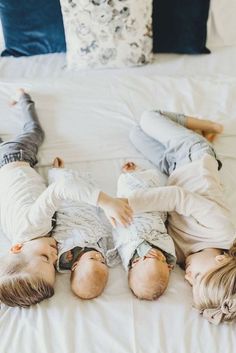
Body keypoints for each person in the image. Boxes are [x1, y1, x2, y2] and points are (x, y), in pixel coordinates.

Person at [0, 89, 133, 308]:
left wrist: (107, 202)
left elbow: (61, 189)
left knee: (34, 131)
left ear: (16, 249)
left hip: (16, 157)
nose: (55, 254)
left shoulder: (33, 225)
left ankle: (24, 99)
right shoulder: (19, 237)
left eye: (45, 257)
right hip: (5, 170)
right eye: (53, 263)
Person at [129, 109, 236, 324]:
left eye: (190, 284)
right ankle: (211, 127)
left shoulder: (179, 257)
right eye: (196, 277)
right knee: (148, 117)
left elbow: (158, 221)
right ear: (221, 260)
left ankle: (200, 133)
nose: (187, 277)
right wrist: (129, 203)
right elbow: (178, 197)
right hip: (193, 157)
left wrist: (136, 177)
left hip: (173, 170)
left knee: (135, 134)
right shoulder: (222, 230)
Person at [49, 157, 120, 300]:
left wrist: (66, 252)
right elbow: (114, 248)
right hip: (89, 213)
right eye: (102, 262)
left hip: (70, 213)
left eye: (94, 259)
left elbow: (58, 240)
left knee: (65, 189)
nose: (100, 257)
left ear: (74, 265)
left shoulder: (67, 255)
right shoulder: (104, 252)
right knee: (89, 193)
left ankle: (58, 171)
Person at [113, 161, 176, 300]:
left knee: (129, 191)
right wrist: (167, 259)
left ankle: (130, 174)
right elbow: (167, 241)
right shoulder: (167, 254)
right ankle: (140, 171)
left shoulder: (129, 252)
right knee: (155, 191)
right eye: (163, 261)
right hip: (154, 215)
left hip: (132, 214)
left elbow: (125, 238)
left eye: (151, 257)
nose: (160, 255)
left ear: (134, 263)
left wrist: (144, 248)